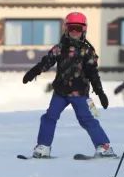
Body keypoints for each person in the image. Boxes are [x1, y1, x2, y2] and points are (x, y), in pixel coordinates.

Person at [23, 12, 115, 159]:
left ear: (83, 30)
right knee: (49, 117)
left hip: (79, 93)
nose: (74, 32)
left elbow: (93, 73)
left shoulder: (87, 51)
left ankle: (104, 147)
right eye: (71, 28)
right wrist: (34, 72)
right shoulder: (60, 48)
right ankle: (43, 147)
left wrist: (100, 91)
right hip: (60, 92)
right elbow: (47, 61)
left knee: (87, 119)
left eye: (78, 29)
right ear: (66, 29)